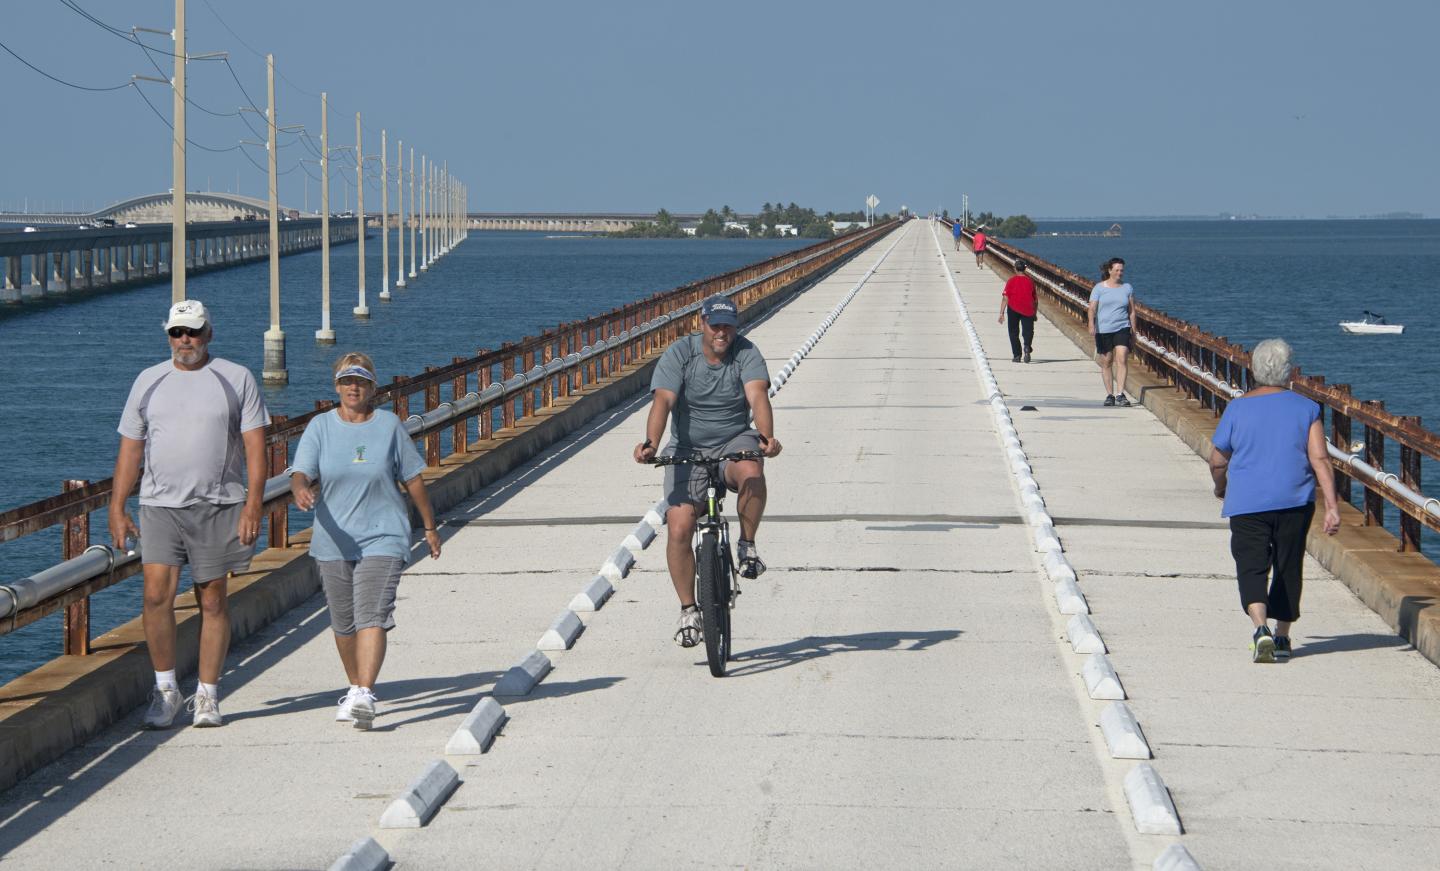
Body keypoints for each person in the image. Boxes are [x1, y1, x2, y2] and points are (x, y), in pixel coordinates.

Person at [109, 300, 270, 729]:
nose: (185, 341)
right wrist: (117, 506)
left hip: (219, 505)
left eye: (193, 332)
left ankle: (207, 694)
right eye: (178, 332)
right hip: (160, 506)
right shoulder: (148, 381)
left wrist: (254, 503)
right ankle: (165, 691)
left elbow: (256, 446)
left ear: (209, 335)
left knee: (212, 598)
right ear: (168, 336)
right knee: (155, 596)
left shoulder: (235, 378)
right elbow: (130, 448)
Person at [289, 353, 442, 729]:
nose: (352, 387)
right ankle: (355, 685)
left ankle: (364, 693)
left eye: (359, 381)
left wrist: (429, 527)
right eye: (345, 381)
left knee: (371, 613)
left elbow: (414, 479)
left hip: (383, 534)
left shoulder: (389, 426)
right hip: (333, 539)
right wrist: (299, 488)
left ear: (373, 387)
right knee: (343, 623)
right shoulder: (320, 427)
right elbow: (301, 470)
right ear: (336, 386)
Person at [633, 295, 782, 647]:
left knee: (751, 472)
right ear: (701, 323)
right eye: (715, 325)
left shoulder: (746, 353)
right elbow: (663, 401)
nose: (722, 332)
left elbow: (758, 395)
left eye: (728, 325)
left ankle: (747, 545)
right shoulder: (680, 354)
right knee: (680, 525)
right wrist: (651, 444)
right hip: (688, 448)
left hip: (734, 439)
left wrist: (766, 439)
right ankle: (688, 610)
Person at [1208, 339, 1341, 663]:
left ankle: (1260, 629)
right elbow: (1320, 458)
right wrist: (1333, 506)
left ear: (1253, 369)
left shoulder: (1237, 407)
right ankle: (1282, 636)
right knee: (1287, 564)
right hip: (1294, 499)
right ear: (1289, 371)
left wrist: (1220, 486)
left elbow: (1217, 459)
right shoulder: (1306, 408)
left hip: (1247, 501)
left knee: (1251, 565)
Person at [1088, 257, 1138, 406]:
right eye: (1116, 270)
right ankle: (1109, 394)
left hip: (1122, 327)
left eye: (1121, 270)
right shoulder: (1099, 288)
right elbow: (1092, 308)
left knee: (1122, 358)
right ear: (1110, 270)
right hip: (1104, 329)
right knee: (1107, 361)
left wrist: (1134, 331)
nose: (1119, 273)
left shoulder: (1127, 288)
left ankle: (1120, 394)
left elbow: (1132, 312)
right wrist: (1091, 324)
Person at [998, 259, 1037, 363]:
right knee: (1028, 331)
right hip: (1028, 309)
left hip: (1013, 308)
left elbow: (1005, 298)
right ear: (1025, 269)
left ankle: (1017, 355)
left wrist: (1001, 313)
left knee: (1013, 332)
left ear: (1015, 268)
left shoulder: (1011, 281)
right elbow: (1035, 300)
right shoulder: (1030, 281)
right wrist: (1035, 313)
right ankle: (1027, 347)